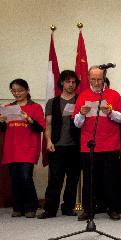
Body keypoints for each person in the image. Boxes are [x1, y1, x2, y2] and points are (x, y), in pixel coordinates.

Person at [73, 66, 121, 221]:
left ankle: (112, 208)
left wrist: (110, 112)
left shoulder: (113, 95)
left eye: (99, 79)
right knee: (89, 179)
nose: (96, 82)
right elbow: (77, 124)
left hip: (110, 144)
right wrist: (81, 114)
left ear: (104, 79)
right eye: (93, 79)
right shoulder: (83, 95)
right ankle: (88, 210)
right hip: (89, 145)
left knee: (110, 178)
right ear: (89, 79)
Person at [37, 70, 81, 219]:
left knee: (73, 179)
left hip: (75, 145)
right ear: (62, 82)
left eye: (74, 82)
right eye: (68, 81)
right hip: (57, 145)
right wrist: (48, 140)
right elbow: (47, 124)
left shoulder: (80, 100)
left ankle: (68, 207)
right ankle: (50, 209)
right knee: (55, 178)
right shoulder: (53, 102)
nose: (71, 84)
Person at [0, 79, 45, 218]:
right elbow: (3, 129)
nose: (17, 93)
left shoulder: (35, 107)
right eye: (14, 91)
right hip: (12, 147)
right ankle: (18, 206)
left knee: (26, 176)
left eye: (20, 90)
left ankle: (31, 206)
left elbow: (40, 127)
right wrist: (1, 121)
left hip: (28, 147)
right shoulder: (7, 107)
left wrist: (29, 119)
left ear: (27, 91)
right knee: (15, 178)